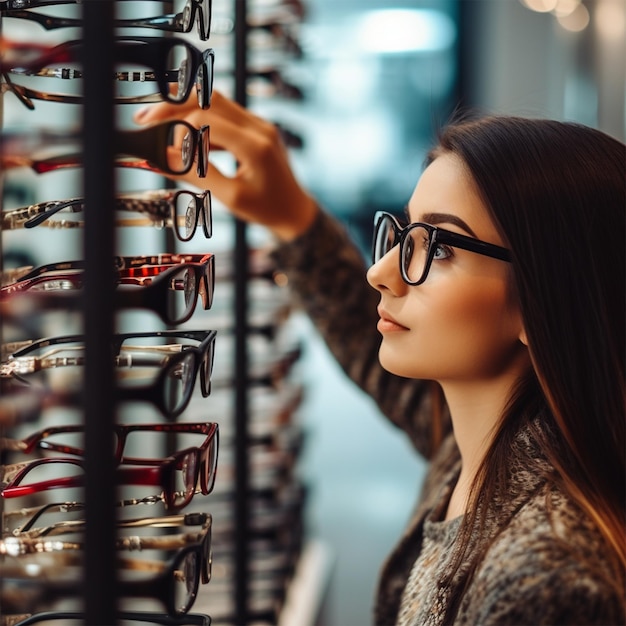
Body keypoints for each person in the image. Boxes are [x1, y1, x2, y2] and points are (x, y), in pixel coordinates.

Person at [134, 92, 626, 625]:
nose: (381, 272)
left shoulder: (548, 582)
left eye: (439, 247)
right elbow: (367, 341)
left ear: (545, 298)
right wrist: (291, 214)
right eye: (405, 233)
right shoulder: (483, 452)